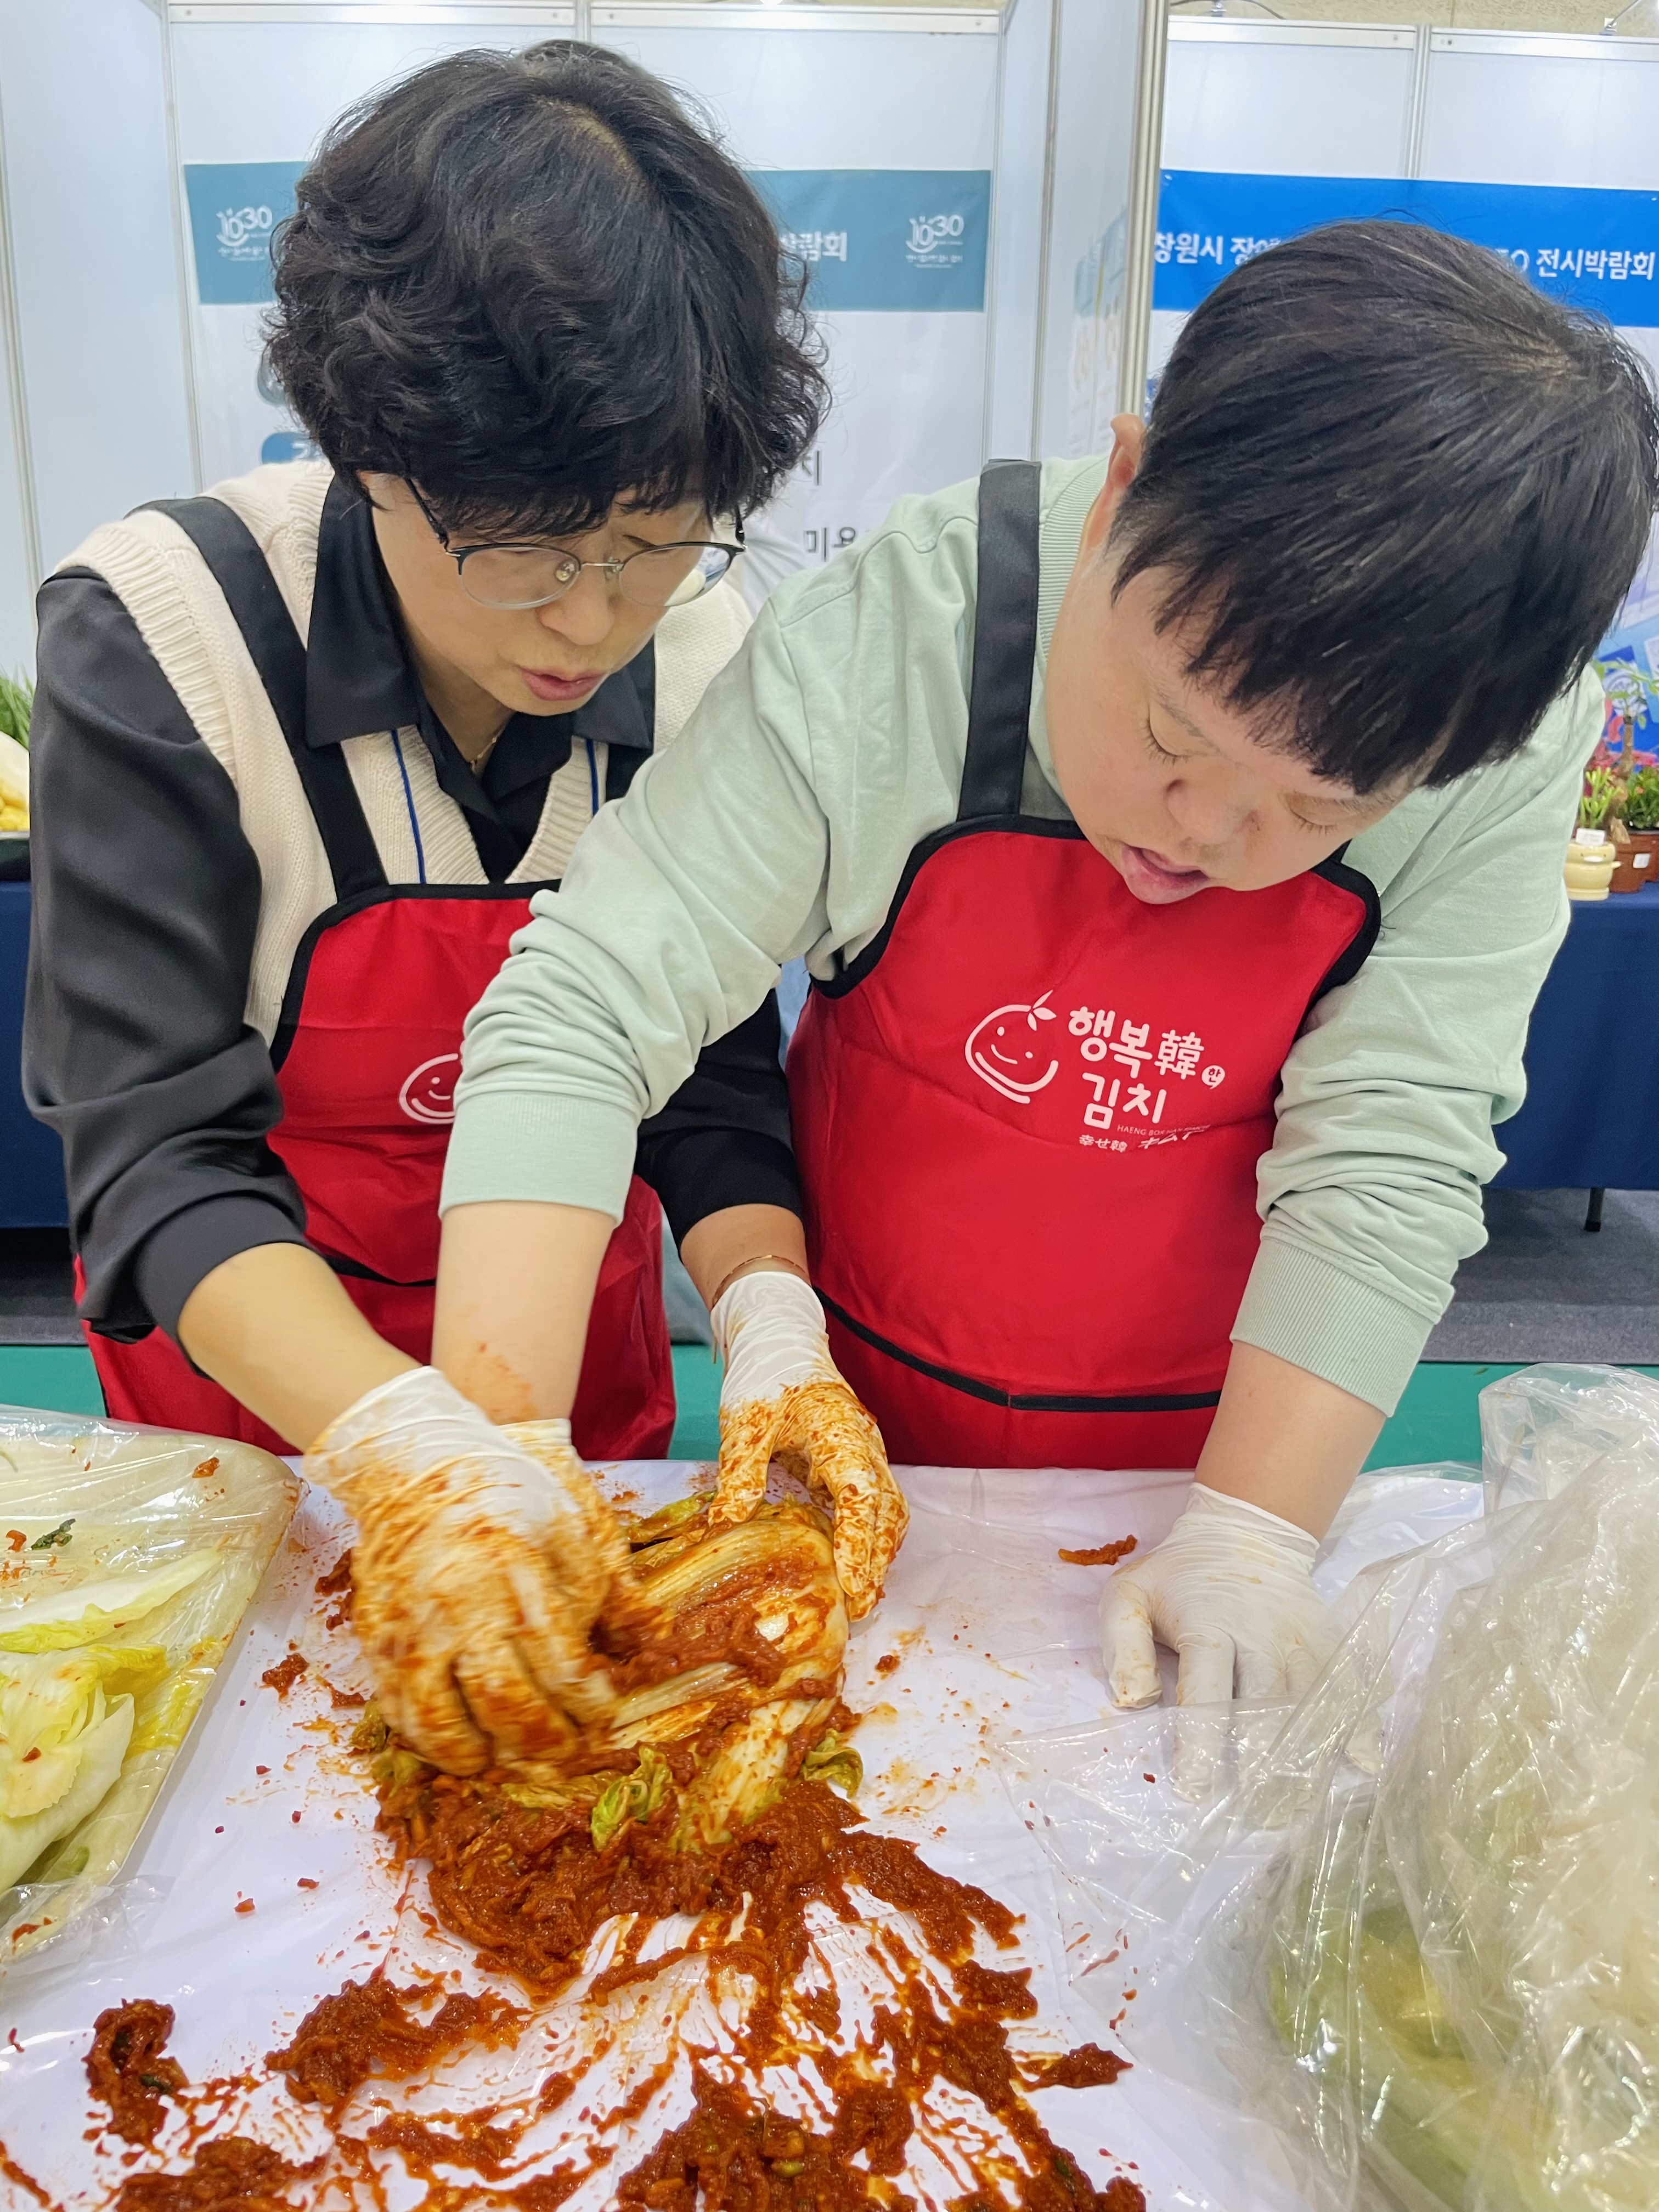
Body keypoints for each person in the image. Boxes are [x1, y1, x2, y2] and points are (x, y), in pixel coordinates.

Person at [426, 222, 1658, 1714]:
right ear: (1118, 498)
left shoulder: (1500, 737)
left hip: (1208, 1455)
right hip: (855, 1400)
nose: (1203, 833)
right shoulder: (910, 626)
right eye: (1168, 734)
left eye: (1318, 809)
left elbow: (1389, 1158)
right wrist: (500, 1452)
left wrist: (1255, 1535)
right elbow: (586, 1007)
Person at [24, 41, 834, 1774]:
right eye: (524, 545)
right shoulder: (164, 635)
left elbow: (704, 1078)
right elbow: (154, 1148)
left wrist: (769, 1313)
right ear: (365, 450)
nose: (590, 616)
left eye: (653, 536)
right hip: (258, 1409)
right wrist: (401, 1448)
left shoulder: (705, 657)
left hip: (574, 1394)